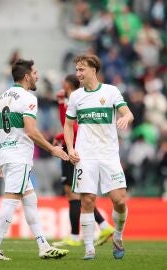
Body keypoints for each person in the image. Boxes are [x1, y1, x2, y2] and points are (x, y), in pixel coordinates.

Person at [0, 59, 69, 260]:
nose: (37, 76)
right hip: (19, 156)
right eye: (35, 72)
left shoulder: (1, 97)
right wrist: (52, 149)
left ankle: (43, 246)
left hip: (6, 155)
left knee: (30, 199)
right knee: (12, 199)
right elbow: (31, 131)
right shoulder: (28, 98)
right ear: (26, 76)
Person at [64, 54, 134, 260]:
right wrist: (70, 148)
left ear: (93, 70)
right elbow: (68, 125)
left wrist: (126, 118)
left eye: (81, 69)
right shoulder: (76, 96)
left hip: (109, 155)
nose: (78, 74)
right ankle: (89, 249)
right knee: (87, 200)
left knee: (119, 201)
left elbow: (128, 113)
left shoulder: (111, 91)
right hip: (85, 156)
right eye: (76, 70)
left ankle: (118, 236)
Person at [52, 74, 115, 247]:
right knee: (77, 193)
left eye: (64, 83)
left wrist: (59, 136)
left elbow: (71, 125)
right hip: (74, 147)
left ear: (69, 85)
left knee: (74, 194)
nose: (61, 86)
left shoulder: (74, 99)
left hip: (73, 149)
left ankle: (75, 236)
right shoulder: (78, 99)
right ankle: (102, 226)